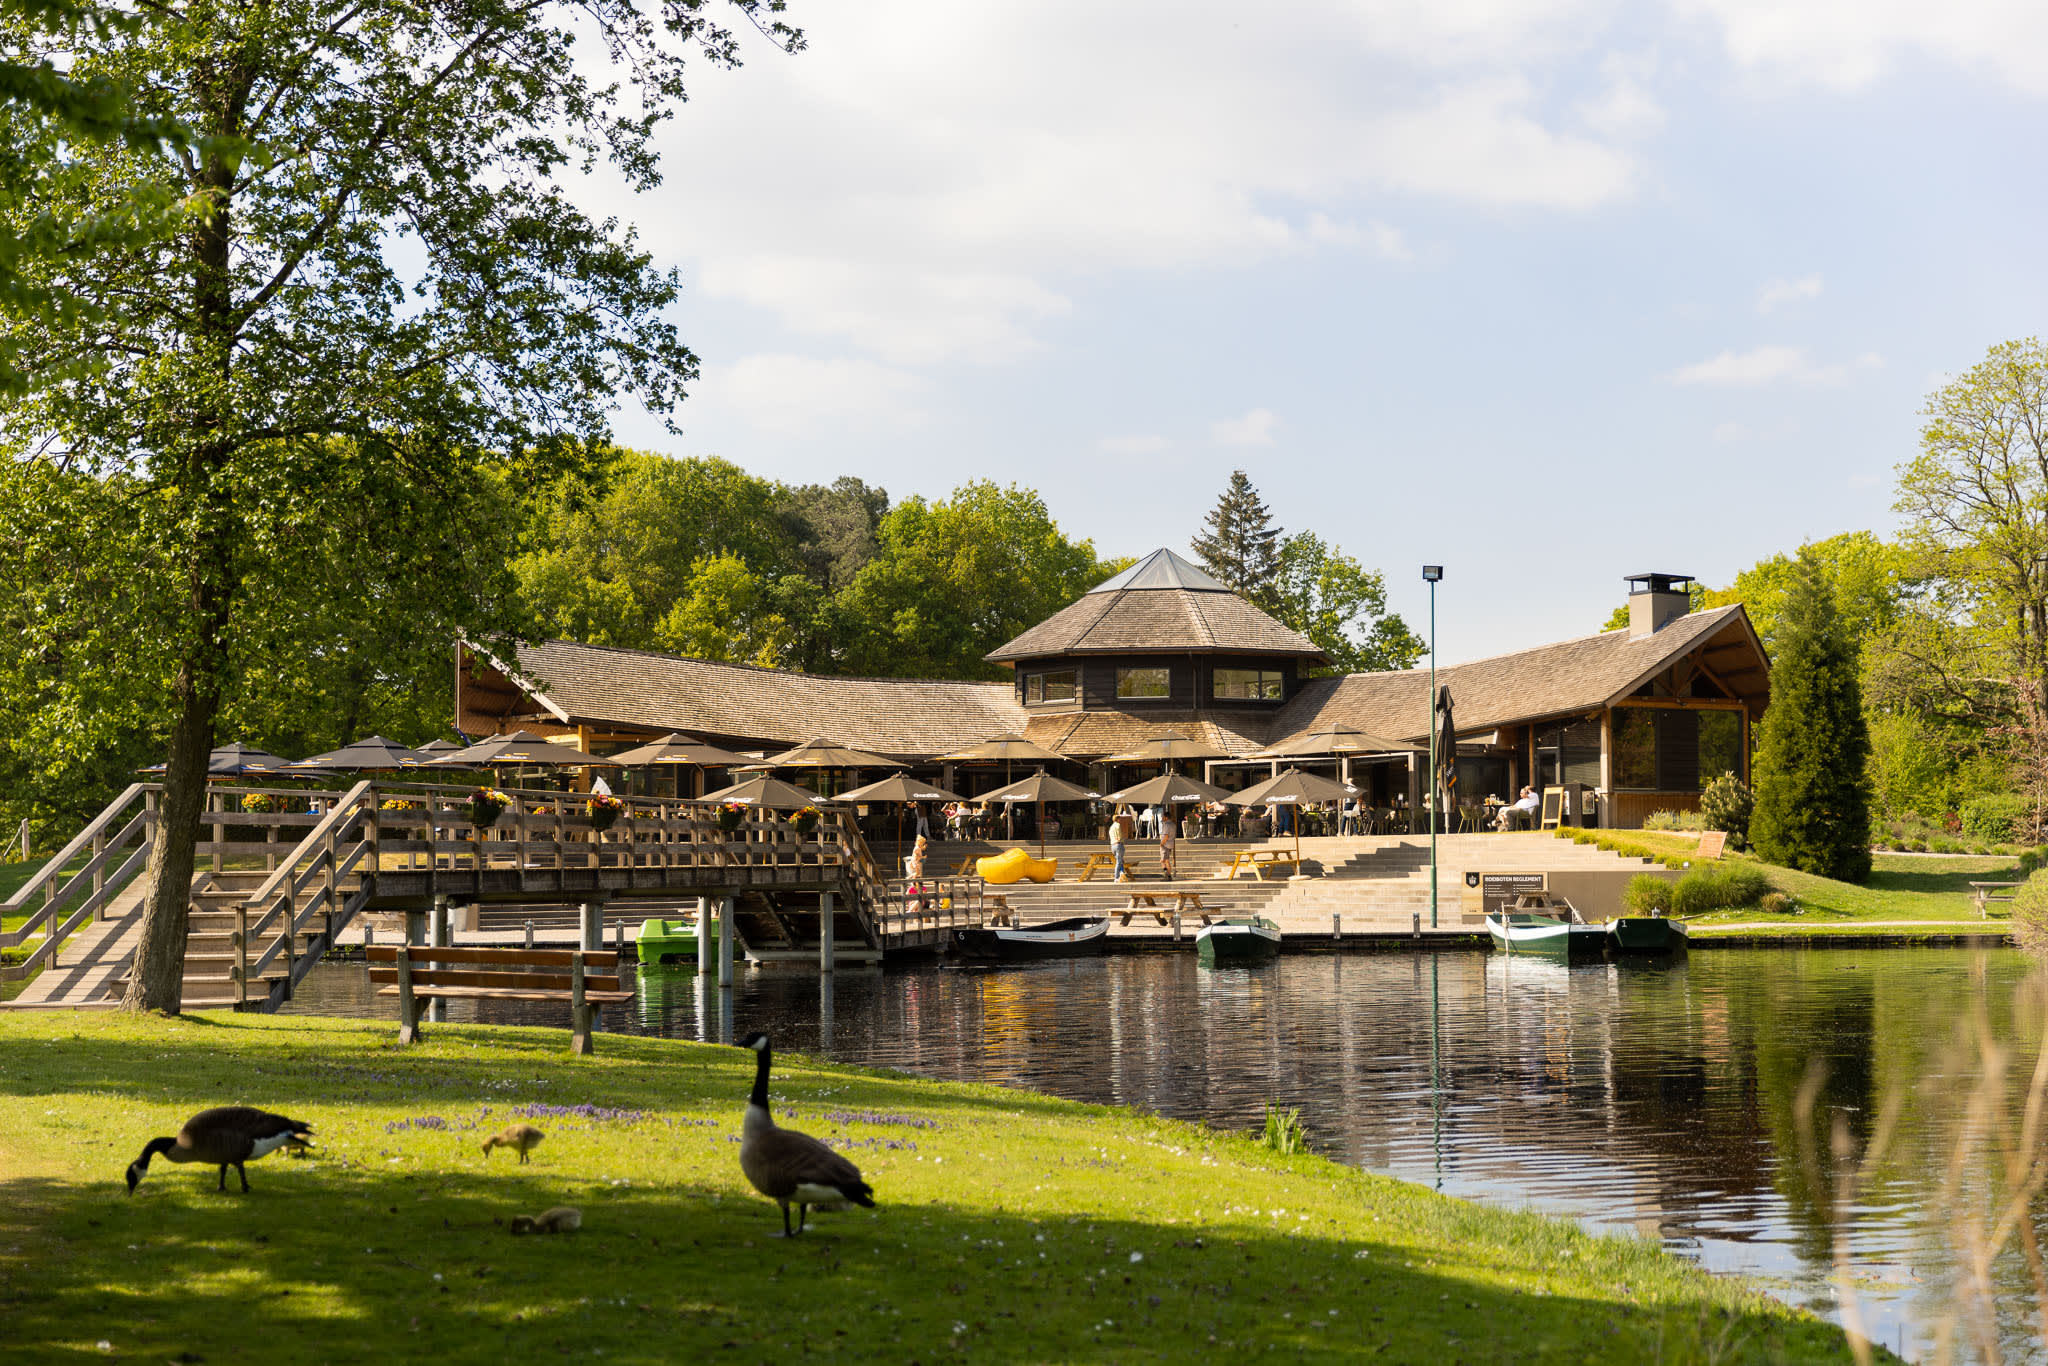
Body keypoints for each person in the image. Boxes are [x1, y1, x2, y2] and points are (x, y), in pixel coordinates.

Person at [1108, 813, 1127, 882]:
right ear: (1117, 819)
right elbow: (1119, 835)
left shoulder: (1111, 827)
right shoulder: (1118, 825)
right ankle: (1116, 877)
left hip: (1112, 845)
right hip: (1118, 844)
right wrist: (1121, 838)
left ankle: (1122, 873)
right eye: (1120, 819)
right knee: (1119, 861)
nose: (1120, 820)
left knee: (1120, 860)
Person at [1159, 816, 1176, 881]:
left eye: (1163, 817)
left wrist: (1162, 844)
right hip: (1170, 844)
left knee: (1163, 861)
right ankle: (1168, 875)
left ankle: (1167, 875)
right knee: (1166, 860)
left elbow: (1166, 836)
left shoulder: (1166, 825)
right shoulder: (1173, 824)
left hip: (1165, 845)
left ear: (1166, 817)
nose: (1162, 818)